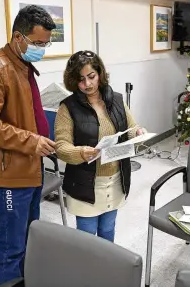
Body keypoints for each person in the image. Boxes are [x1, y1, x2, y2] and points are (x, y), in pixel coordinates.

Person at [0, 5, 57, 286]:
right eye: (38, 43)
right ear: (19, 37)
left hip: (30, 166)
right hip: (8, 175)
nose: (43, 49)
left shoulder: (22, 65)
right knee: (11, 246)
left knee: (30, 237)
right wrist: (31, 141)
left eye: (46, 43)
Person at [55, 50, 145, 242]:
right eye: (80, 79)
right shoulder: (67, 107)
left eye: (91, 76)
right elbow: (61, 146)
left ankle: (106, 270)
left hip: (114, 180)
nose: (87, 84)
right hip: (86, 183)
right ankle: (87, 272)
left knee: (107, 230)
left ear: (100, 74)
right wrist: (80, 152)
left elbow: (130, 128)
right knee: (87, 238)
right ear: (73, 81)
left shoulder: (118, 100)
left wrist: (137, 133)